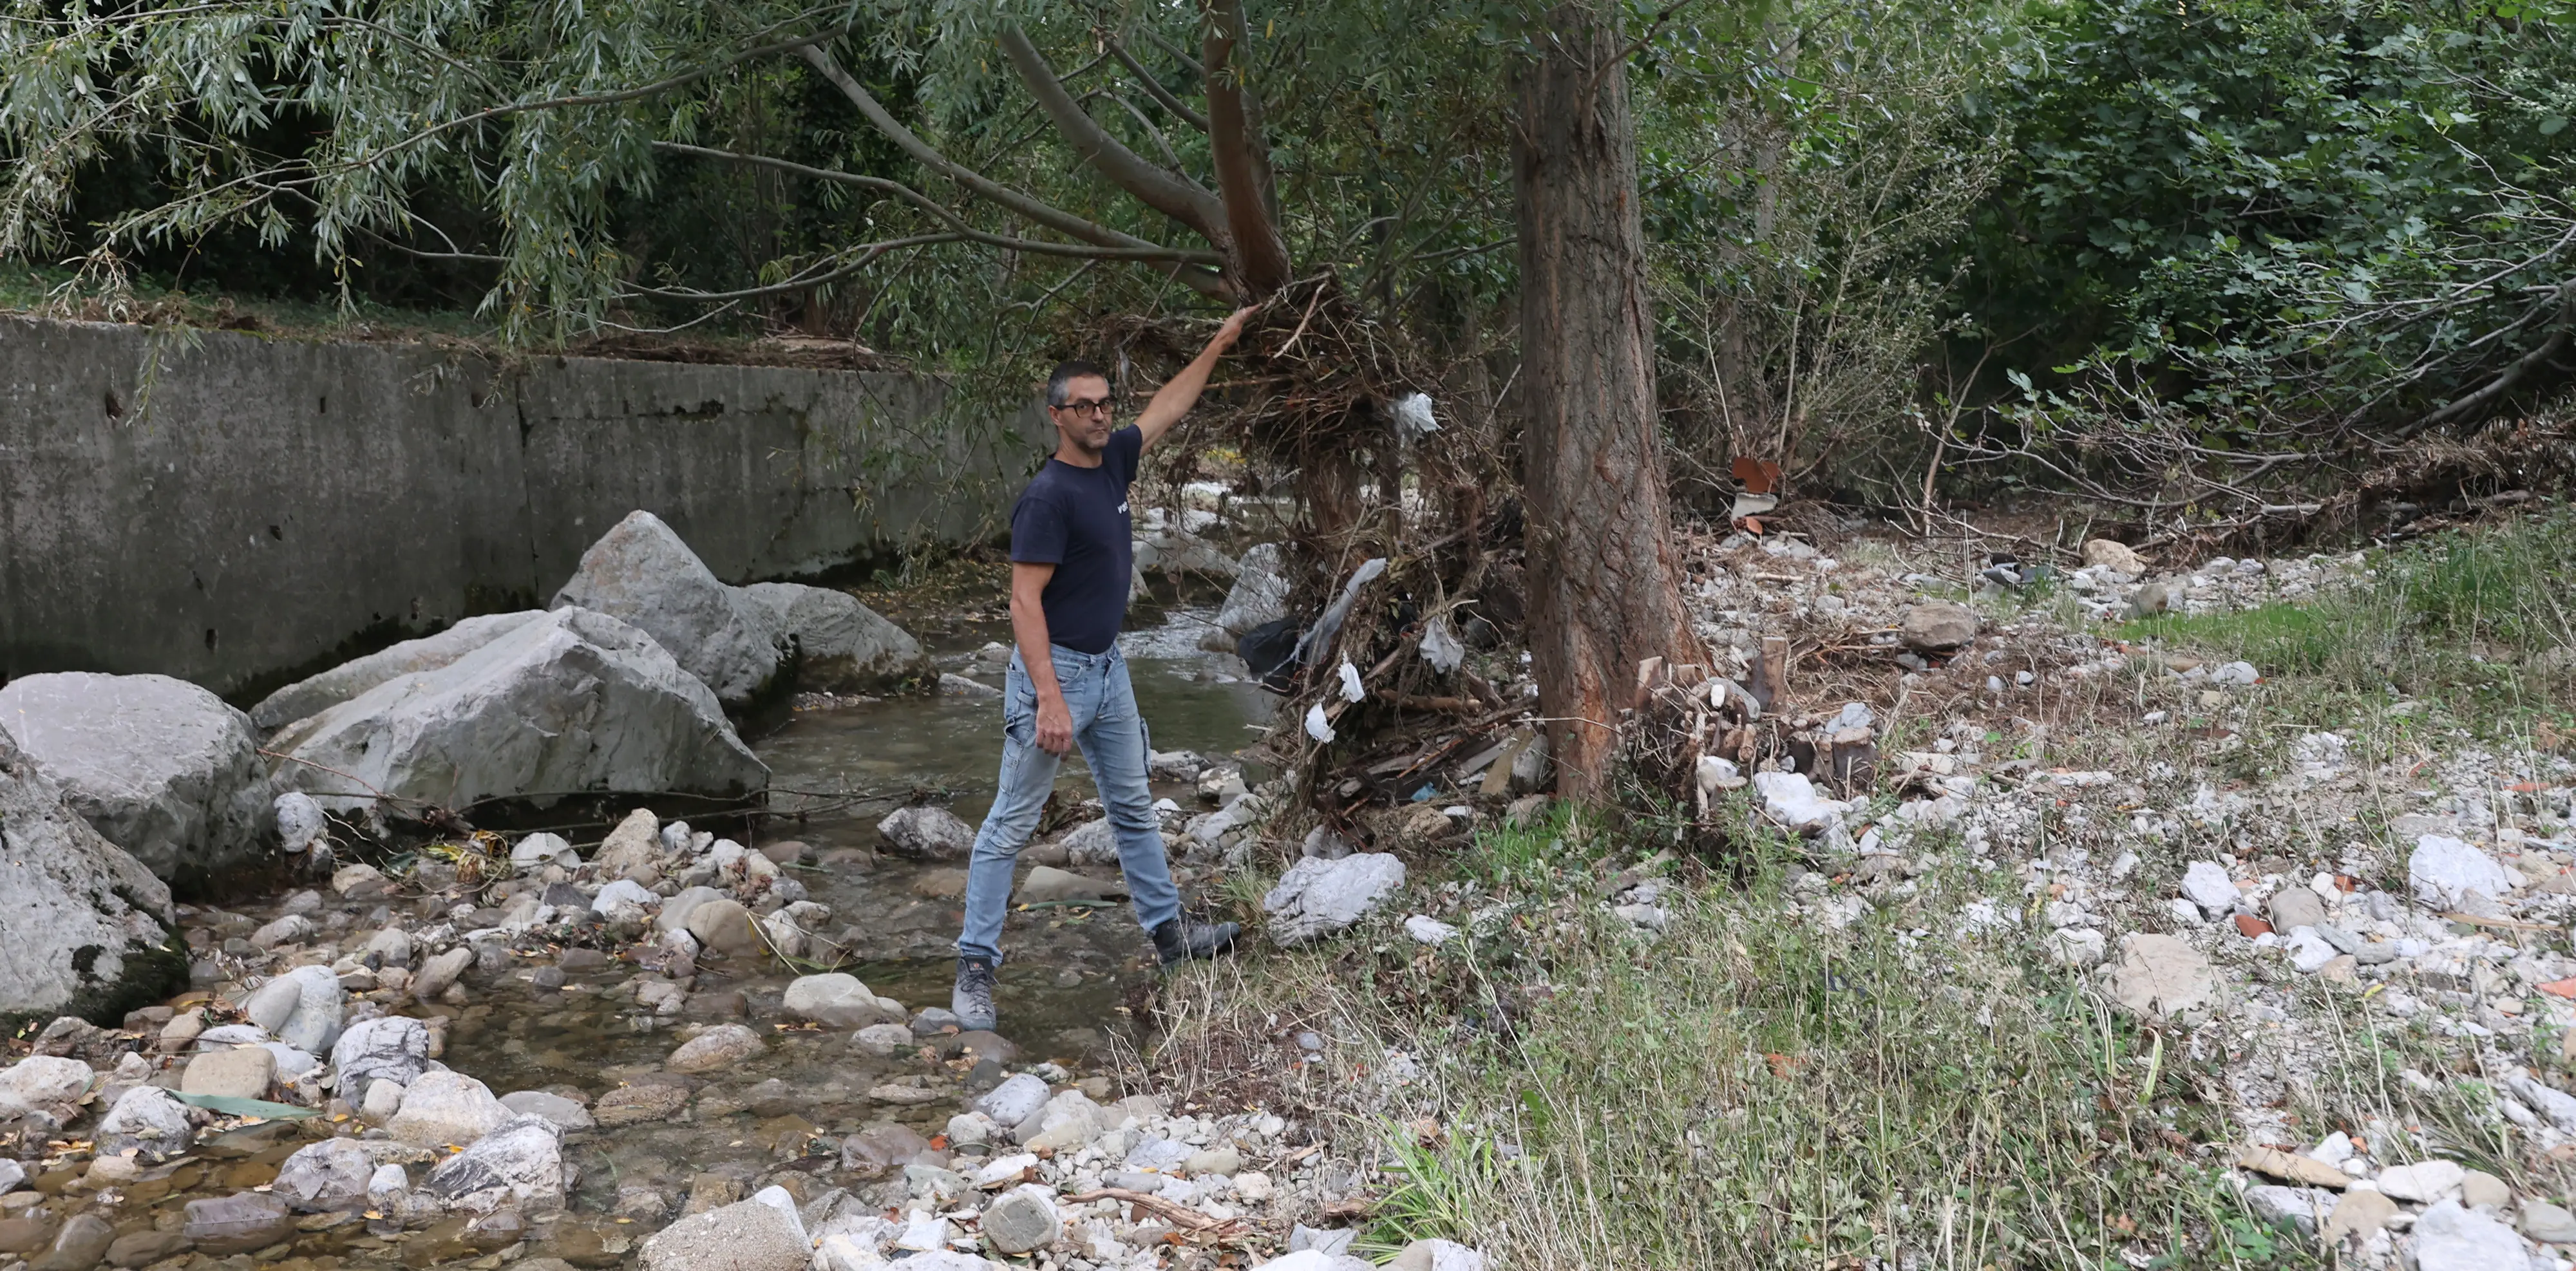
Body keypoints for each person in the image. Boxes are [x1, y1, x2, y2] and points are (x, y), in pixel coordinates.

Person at [952, 308, 1259, 1033]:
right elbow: (1023, 604)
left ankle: (1169, 936)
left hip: (1108, 669)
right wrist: (1051, 701)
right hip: (1052, 675)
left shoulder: (1115, 460)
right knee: (1009, 824)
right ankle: (974, 969)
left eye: (1103, 404)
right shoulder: (1046, 496)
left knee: (1131, 805)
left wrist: (1217, 343)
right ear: (1056, 416)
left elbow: (1168, 408)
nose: (1097, 415)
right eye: (1082, 406)